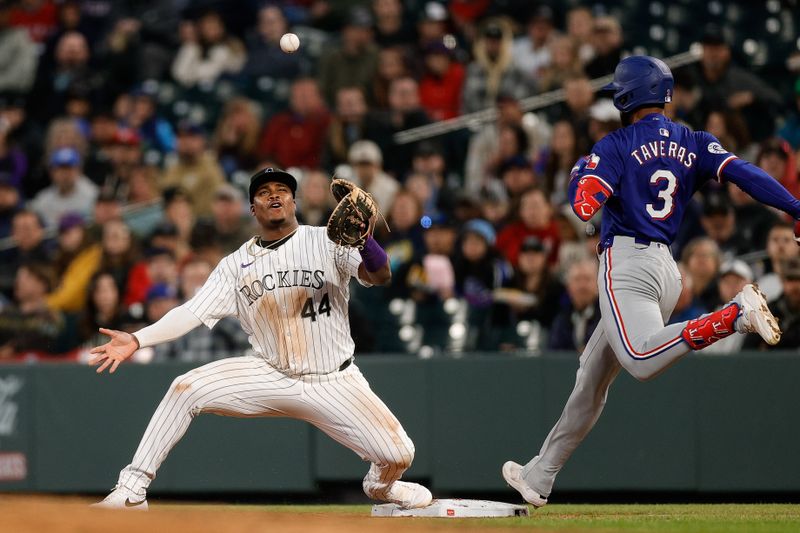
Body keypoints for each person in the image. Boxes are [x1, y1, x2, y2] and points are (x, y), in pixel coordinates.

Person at [502, 56, 797, 509]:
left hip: (627, 263)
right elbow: (747, 176)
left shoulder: (616, 143)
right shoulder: (693, 140)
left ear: (625, 96)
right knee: (592, 377)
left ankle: (734, 315)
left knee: (639, 357)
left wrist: (582, 176)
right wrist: (794, 208)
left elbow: (583, 205)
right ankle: (540, 475)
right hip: (665, 270)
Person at [90, 167, 432, 511]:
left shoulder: (326, 241)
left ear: (293, 201)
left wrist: (365, 241)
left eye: (282, 189)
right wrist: (137, 340)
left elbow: (381, 274)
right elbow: (192, 311)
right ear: (252, 208)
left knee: (399, 454)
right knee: (186, 387)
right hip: (272, 374)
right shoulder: (235, 265)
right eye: (264, 191)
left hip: (334, 380)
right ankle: (131, 491)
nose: (274, 195)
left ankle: (381, 487)